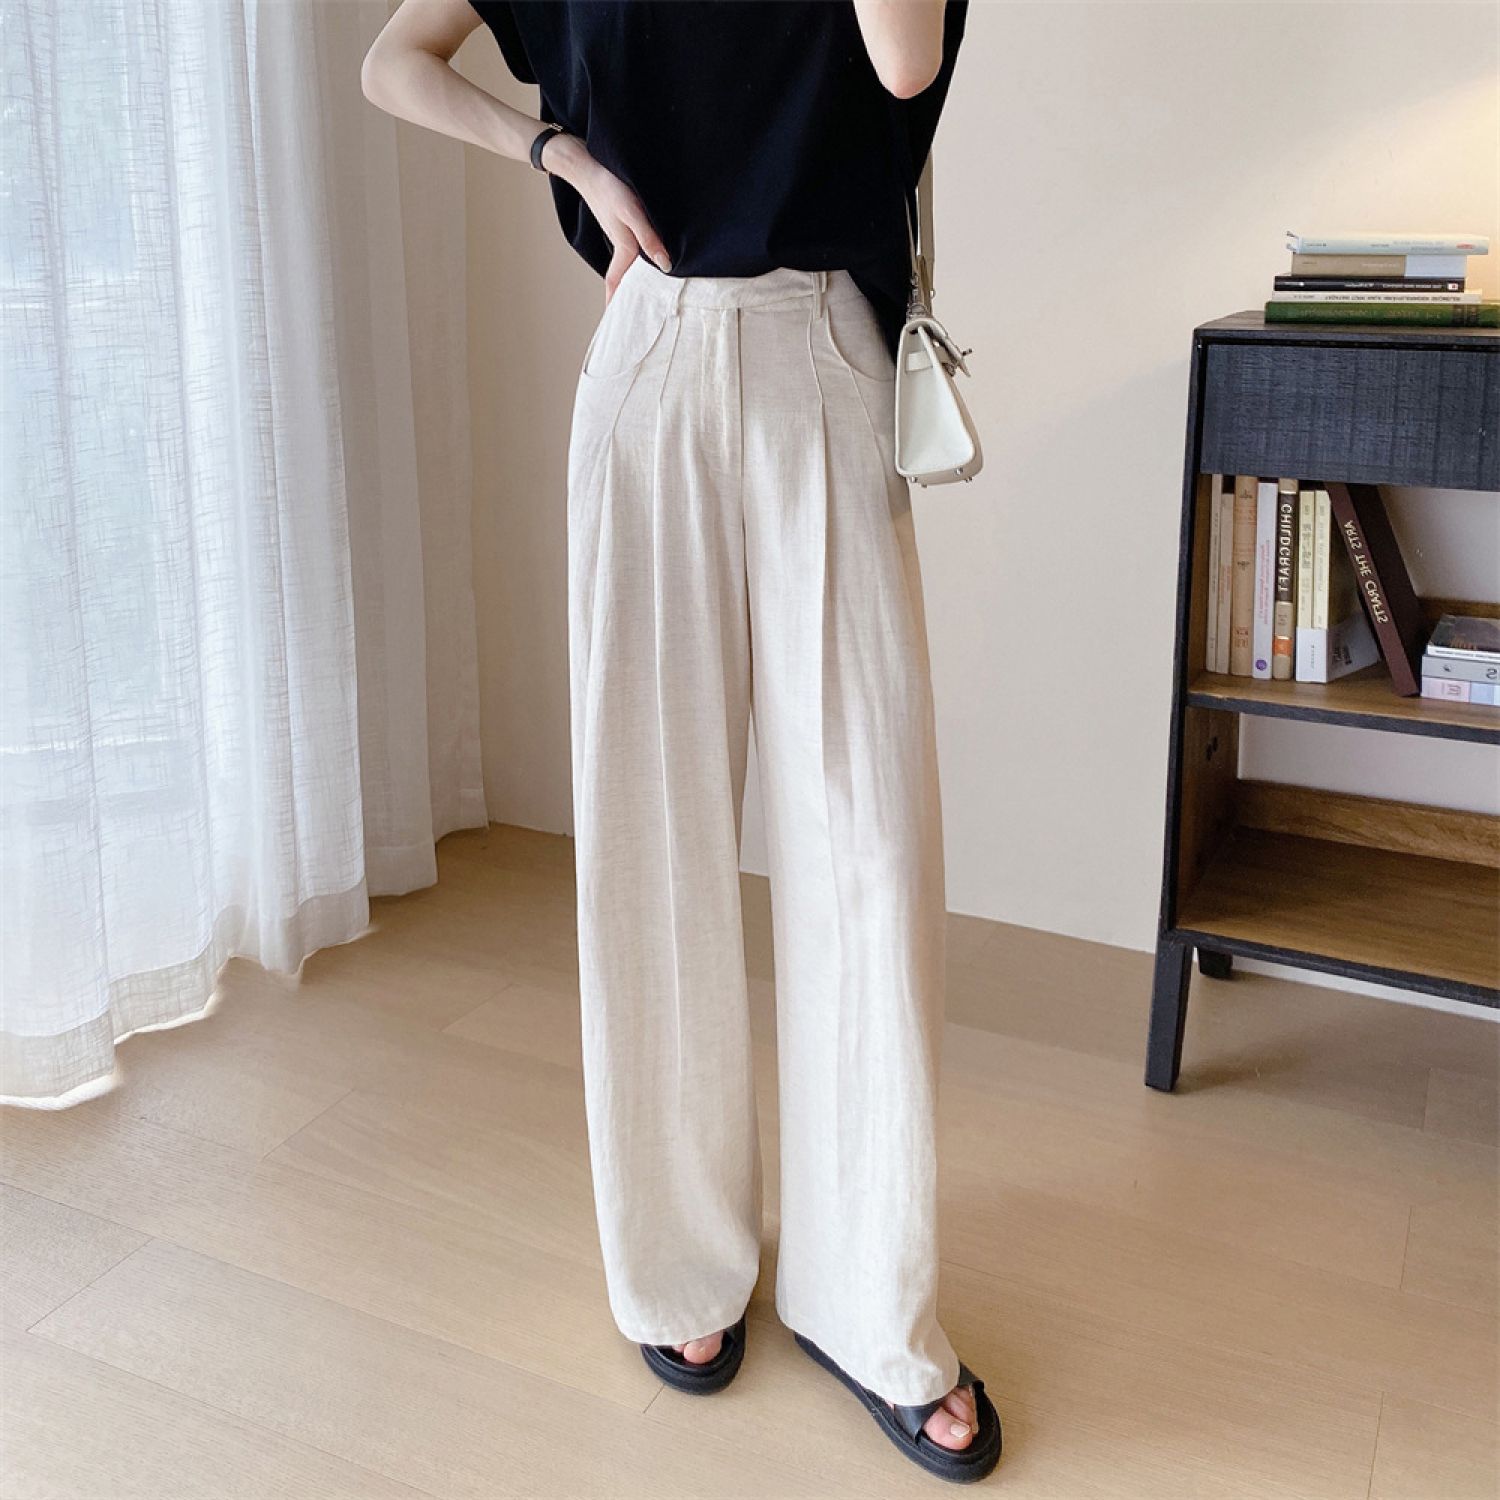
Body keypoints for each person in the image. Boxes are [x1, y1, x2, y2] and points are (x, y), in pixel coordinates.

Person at [361, 0, 1000, 1483]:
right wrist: (562, 158)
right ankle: (677, 1263)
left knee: (871, 852)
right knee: (652, 840)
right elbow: (394, 62)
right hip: (648, 359)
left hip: (824, 353)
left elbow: (905, 61)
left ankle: (872, 1307)